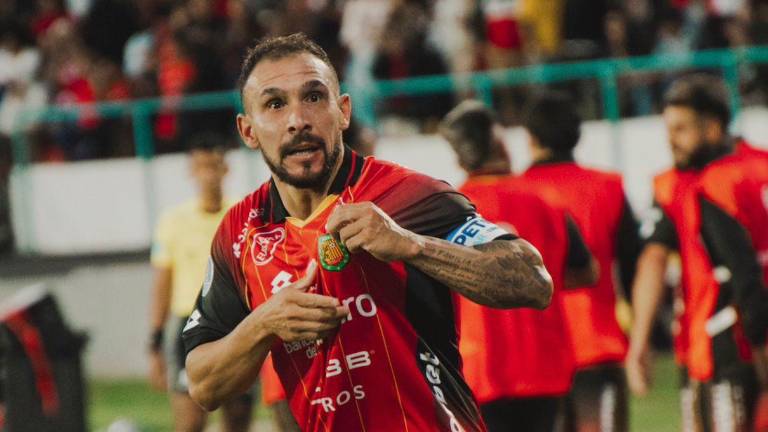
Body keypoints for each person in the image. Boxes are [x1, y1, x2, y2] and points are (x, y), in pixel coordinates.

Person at [181, 33, 553, 432]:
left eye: (313, 97)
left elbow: (533, 281)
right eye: (274, 104)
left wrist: (412, 245)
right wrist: (264, 324)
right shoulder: (240, 231)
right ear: (248, 130)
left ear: (343, 111)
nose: (298, 120)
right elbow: (203, 385)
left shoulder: (407, 195)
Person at [439, 100, 598, 432]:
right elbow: (587, 271)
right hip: (544, 364)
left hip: (479, 369)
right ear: (499, 141)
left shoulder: (445, 212)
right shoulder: (546, 199)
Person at [626, 74, 768, 431]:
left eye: (681, 129)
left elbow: (655, 260)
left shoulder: (703, 185)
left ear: (713, 127)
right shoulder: (760, 166)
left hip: (726, 339)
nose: (670, 140)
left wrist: (639, 342)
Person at [520, 91, 641, 432]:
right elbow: (633, 262)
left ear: (531, 139)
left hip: (538, 352)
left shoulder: (516, 193)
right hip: (598, 343)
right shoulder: (608, 186)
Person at [147, 134, 253, 432]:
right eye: (201, 167)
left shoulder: (243, 215)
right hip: (189, 328)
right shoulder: (173, 221)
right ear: (191, 171)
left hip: (235, 324)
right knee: (190, 421)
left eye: (214, 166)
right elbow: (162, 284)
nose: (208, 175)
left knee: (237, 418)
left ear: (225, 170)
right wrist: (154, 341)